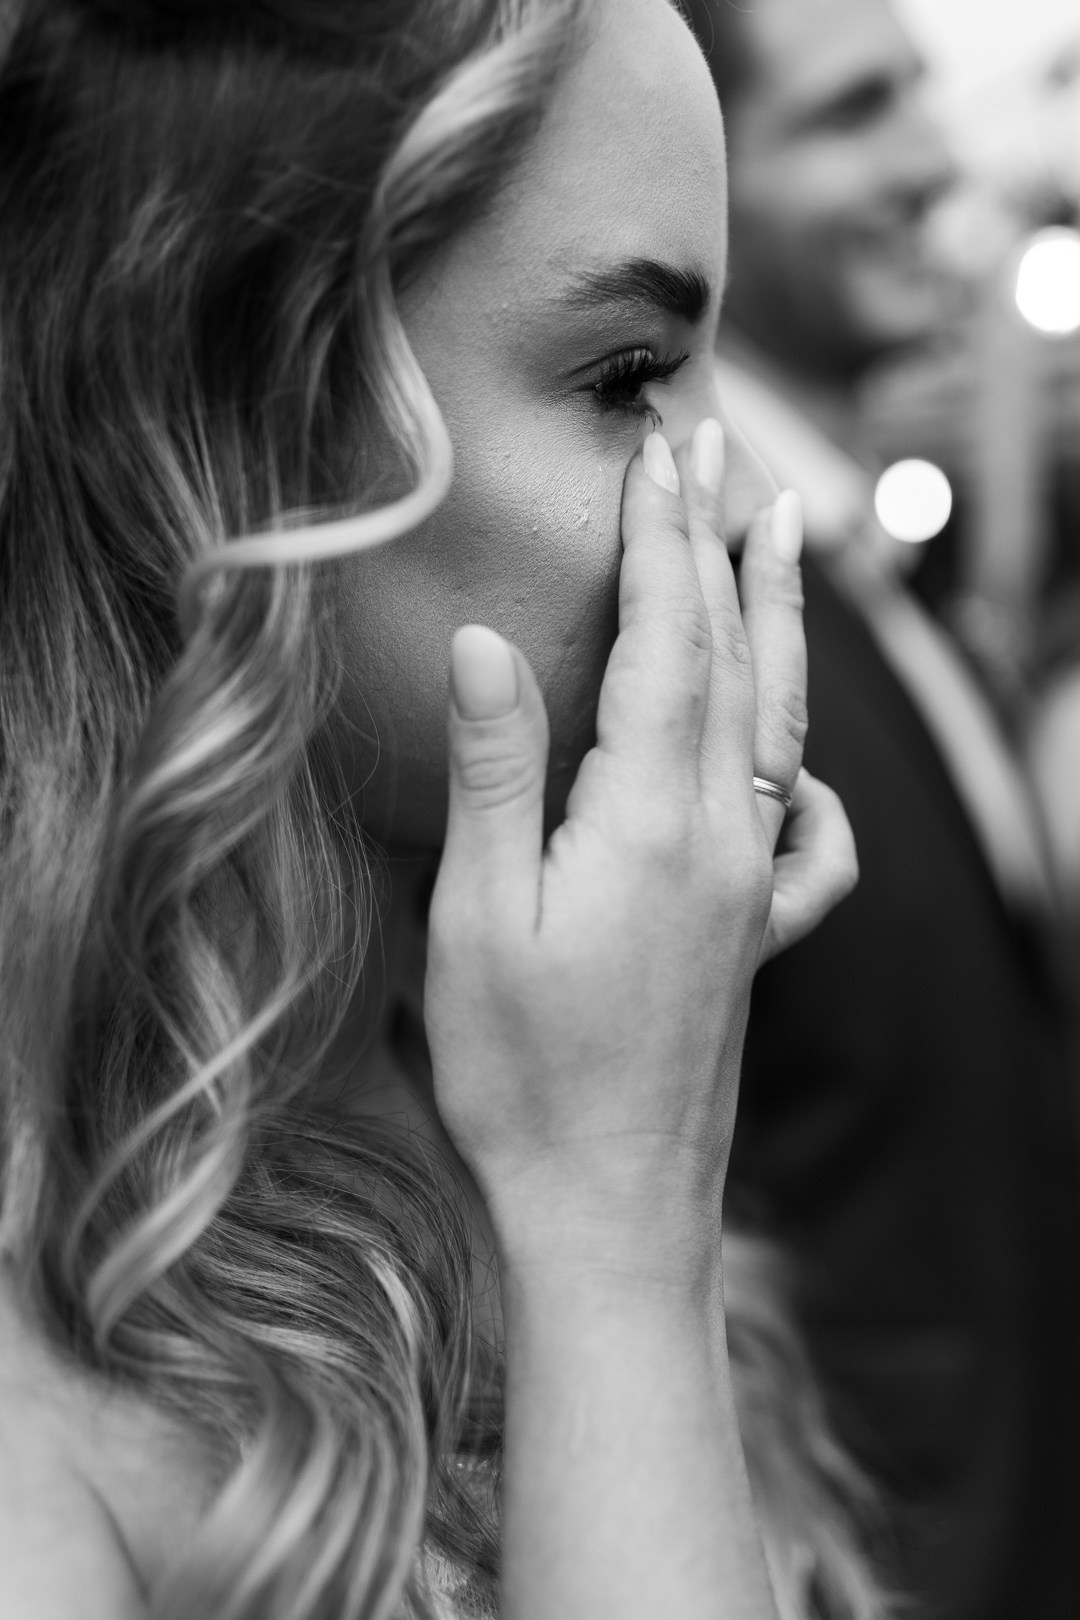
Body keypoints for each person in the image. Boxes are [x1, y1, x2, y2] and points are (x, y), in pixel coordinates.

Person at [0, 3, 885, 1618]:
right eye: (632, 375)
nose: (750, 495)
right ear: (222, 428)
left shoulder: (477, 1057)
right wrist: (614, 1214)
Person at [682, 3, 1080, 1617]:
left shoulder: (860, 567)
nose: (935, 163)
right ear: (687, 164)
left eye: (923, 98)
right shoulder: (696, 610)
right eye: (853, 113)